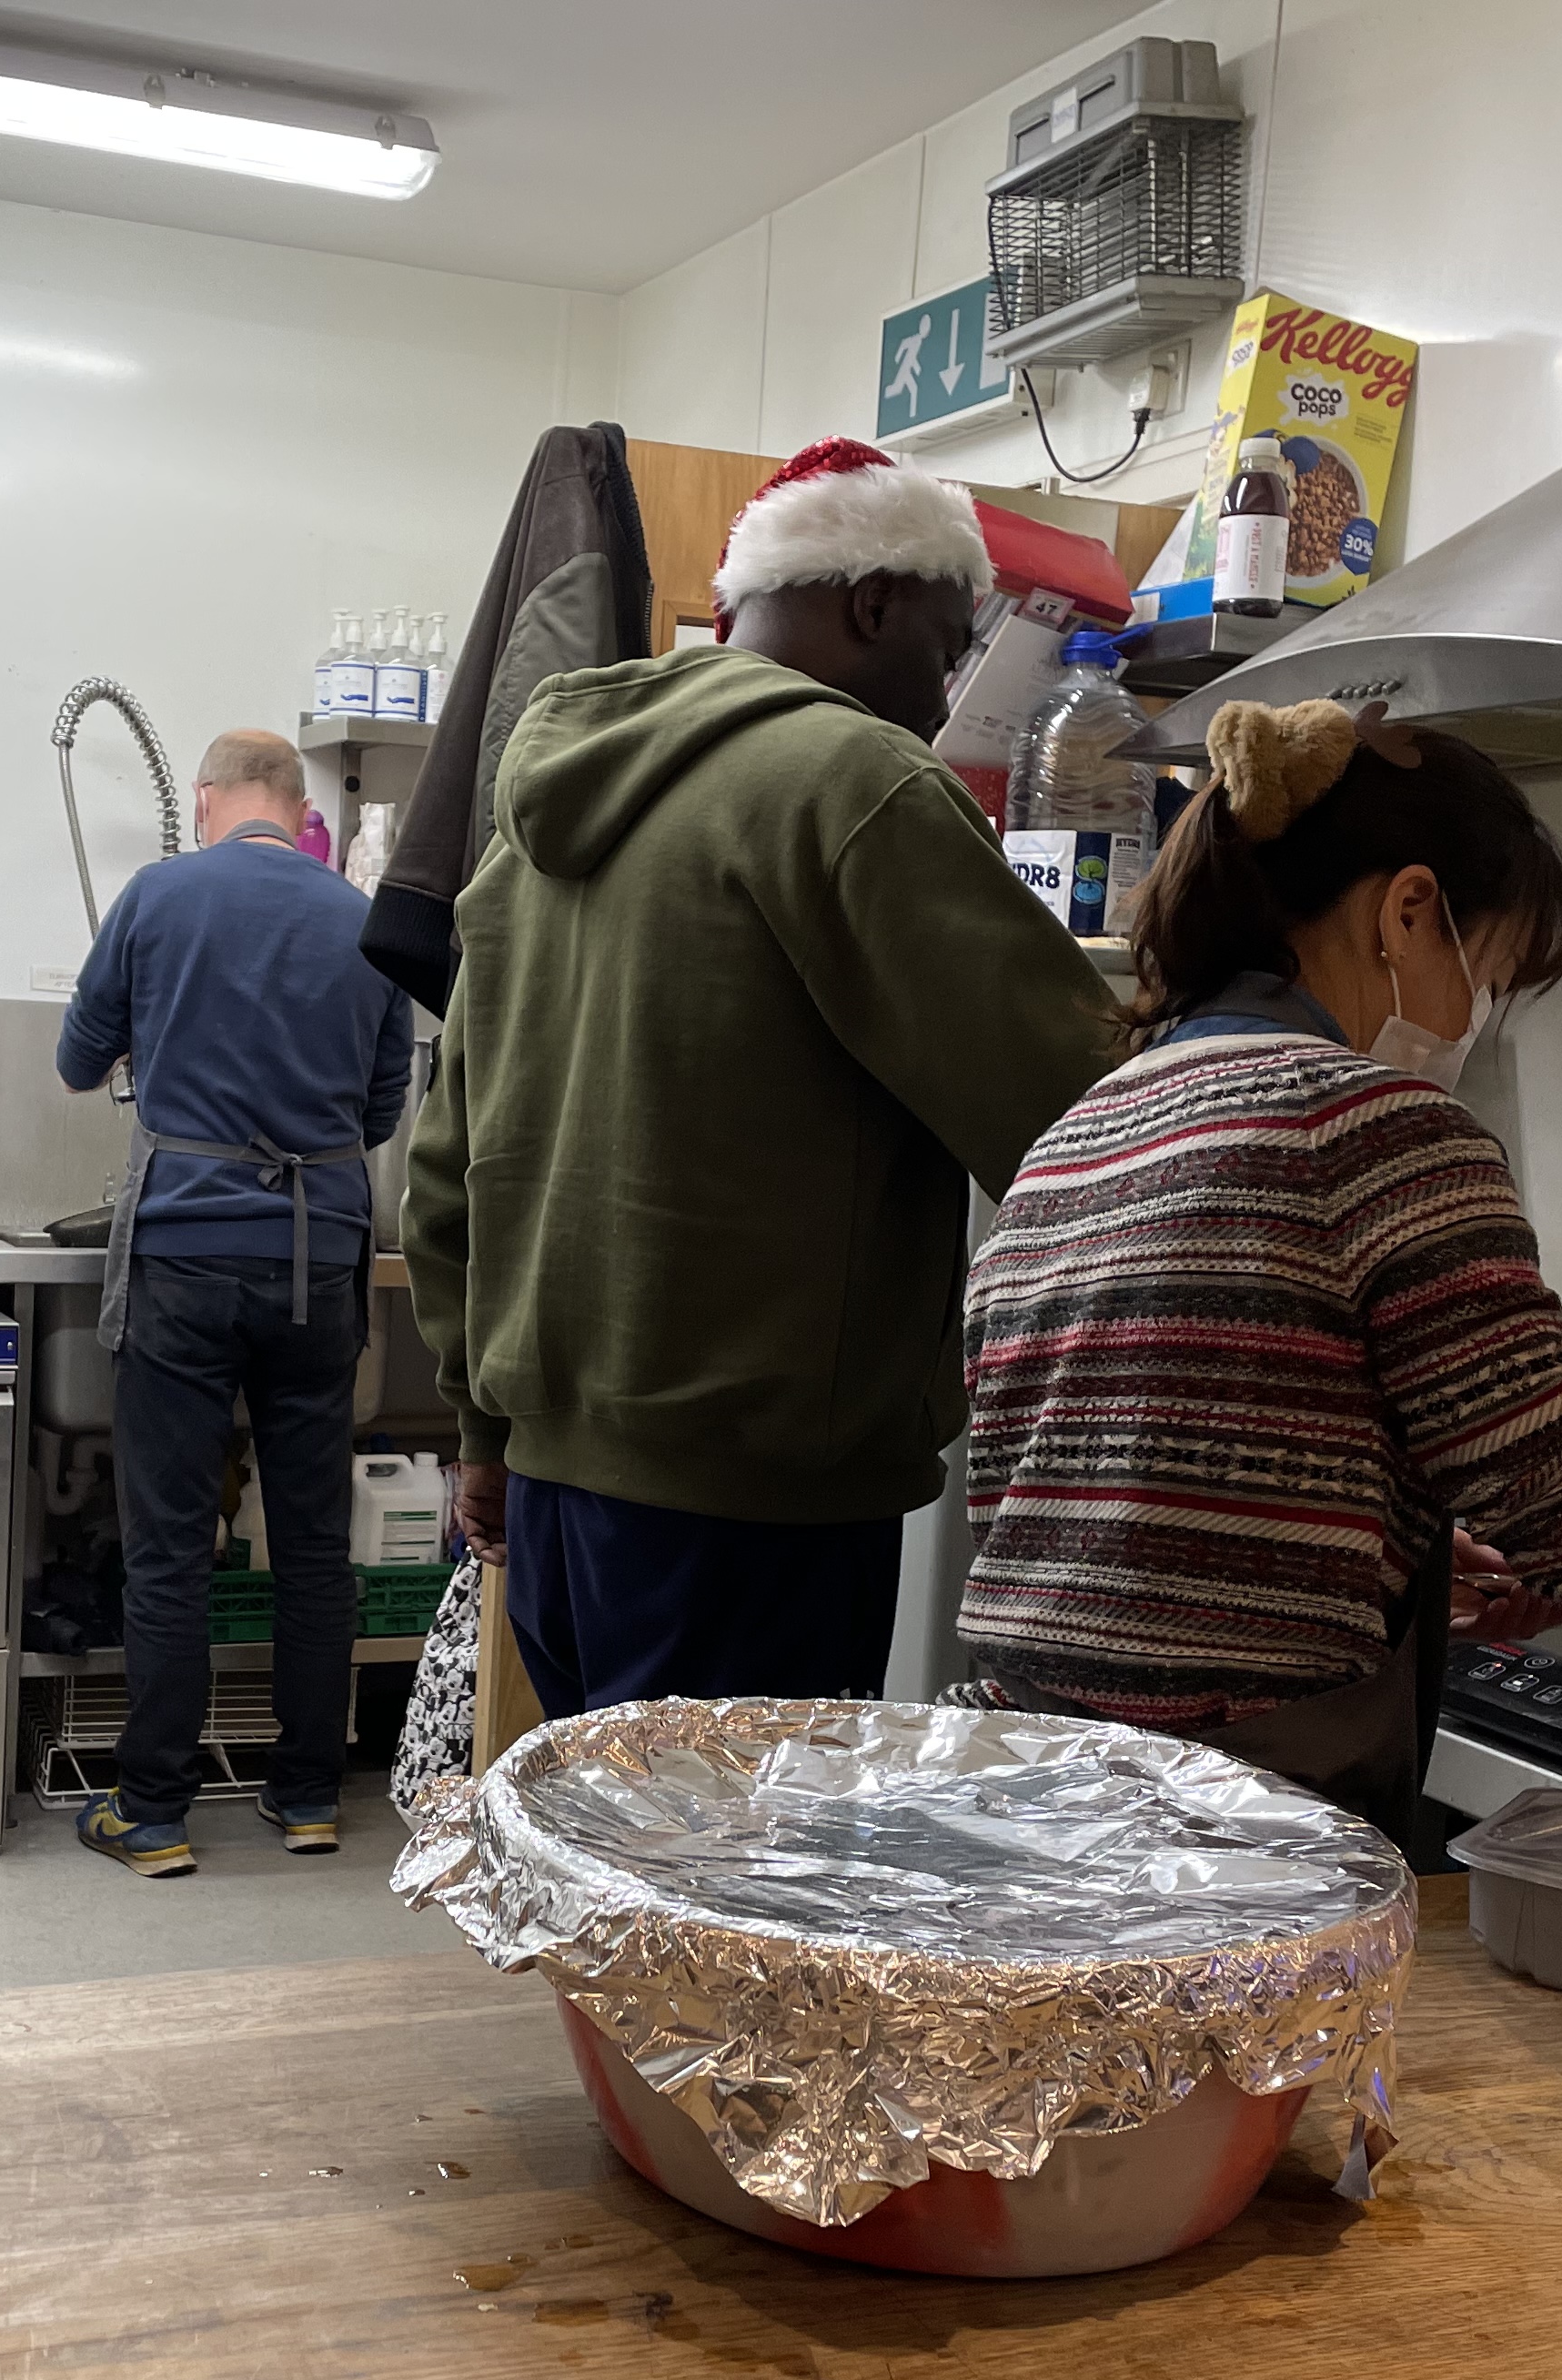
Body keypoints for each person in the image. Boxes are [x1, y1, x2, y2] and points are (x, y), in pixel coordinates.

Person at [408, 437, 1126, 1717]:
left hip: (556, 1499)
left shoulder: (540, 819)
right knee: (729, 1898)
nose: (949, 694)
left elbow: (449, 1163)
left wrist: (481, 1432)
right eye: (954, 649)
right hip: (754, 1513)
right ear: (873, 602)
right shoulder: (855, 784)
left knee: (611, 1894)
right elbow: (1087, 1125)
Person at [957, 696, 1562, 1848]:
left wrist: (1370, 1543)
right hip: (1228, 1828)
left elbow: (1122, 1506)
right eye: (1492, 975)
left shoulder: (1087, 1129)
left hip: (1027, 1792)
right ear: (1410, 911)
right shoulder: (1381, 1130)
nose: (1474, 1018)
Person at [57, 729, 412, 1875]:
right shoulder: (364, 918)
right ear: (297, 810)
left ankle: (154, 1814)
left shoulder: (160, 895)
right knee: (313, 1545)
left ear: (207, 799)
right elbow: (382, 1107)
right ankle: (307, 1796)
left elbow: (76, 1059)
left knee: (169, 1548)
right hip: (320, 1265)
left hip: (185, 1258)